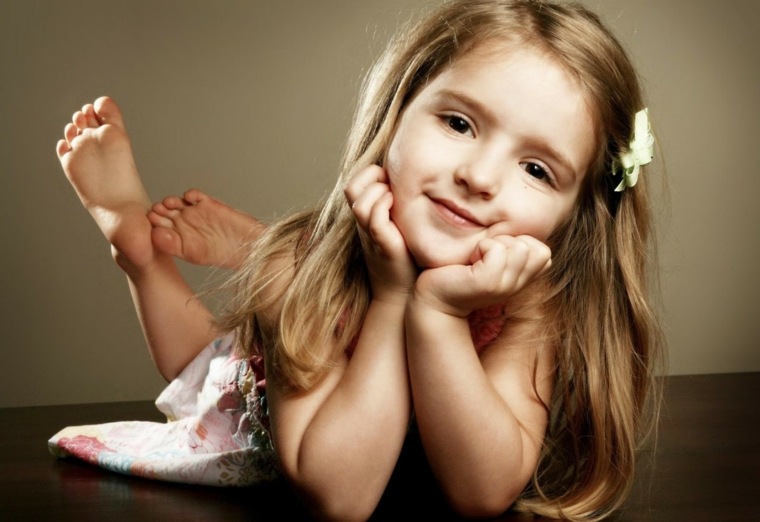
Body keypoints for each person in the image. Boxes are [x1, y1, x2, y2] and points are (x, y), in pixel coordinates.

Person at [51, 0, 664, 520]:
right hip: (259, 399)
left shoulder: (531, 303)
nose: (479, 177)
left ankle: (248, 241)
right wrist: (392, 295)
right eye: (458, 122)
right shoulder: (300, 270)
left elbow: (482, 491)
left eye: (536, 169)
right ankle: (138, 250)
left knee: (276, 278)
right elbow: (341, 496)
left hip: (334, 296)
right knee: (203, 367)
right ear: (396, 112)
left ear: (574, 215)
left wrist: (439, 311)